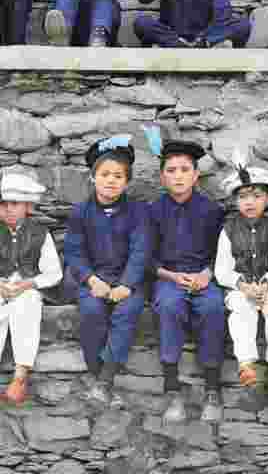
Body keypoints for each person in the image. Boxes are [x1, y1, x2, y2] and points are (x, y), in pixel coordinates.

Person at [64, 136, 150, 406]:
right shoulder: (81, 212)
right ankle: (96, 373)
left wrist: (127, 284)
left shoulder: (138, 212)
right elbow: (74, 252)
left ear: (127, 182)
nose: (111, 180)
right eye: (104, 174)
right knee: (91, 313)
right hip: (93, 278)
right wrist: (91, 280)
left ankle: (104, 381)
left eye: (118, 176)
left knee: (126, 313)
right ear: (93, 177)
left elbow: (140, 251)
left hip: (128, 280)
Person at [147, 133, 227, 423]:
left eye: (185, 170)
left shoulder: (212, 210)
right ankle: (172, 388)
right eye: (171, 171)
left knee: (213, 307)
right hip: (168, 277)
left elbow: (224, 251)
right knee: (169, 307)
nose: (178, 176)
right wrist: (169, 274)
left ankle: (213, 388)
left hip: (204, 278)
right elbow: (146, 256)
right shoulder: (153, 211)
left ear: (196, 175)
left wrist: (207, 274)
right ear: (162, 177)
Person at [215, 150, 268, 405]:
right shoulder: (228, 231)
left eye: (257, 196)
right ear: (235, 201)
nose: (250, 202)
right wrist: (242, 286)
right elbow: (222, 269)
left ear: (267, 199)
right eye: (243, 196)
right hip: (241, 287)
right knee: (240, 310)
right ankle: (246, 362)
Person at [0, 171, 62, 405]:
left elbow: (53, 273)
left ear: (27, 206)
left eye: (14, 204)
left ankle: (20, 376)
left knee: (26, 307)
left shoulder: (39, 234)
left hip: (27, 287)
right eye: (3, 204)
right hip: (2, 287)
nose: (7, 209)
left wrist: (27, 284)